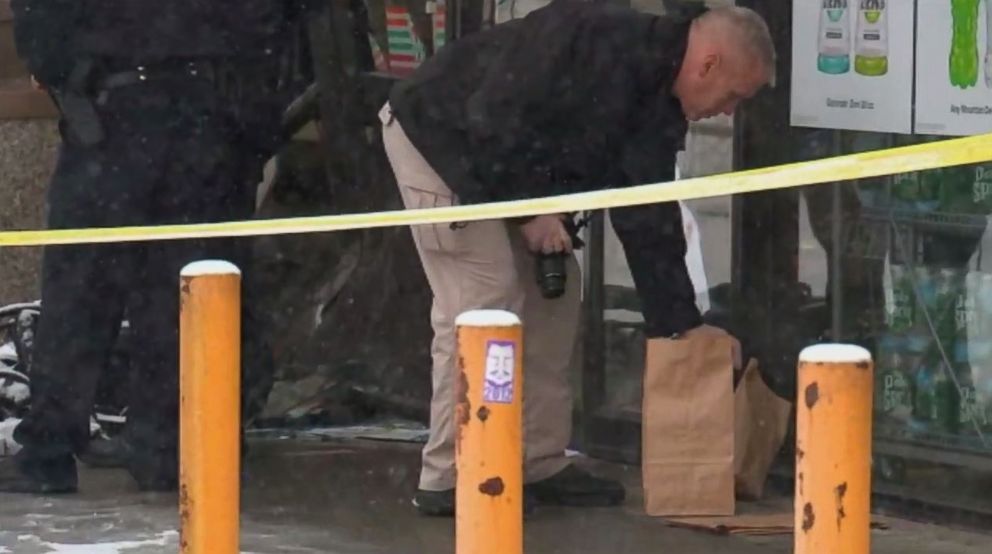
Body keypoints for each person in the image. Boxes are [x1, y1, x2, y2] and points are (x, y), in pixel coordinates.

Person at [380, 0, 775, 516]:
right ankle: (450, 474)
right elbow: (491, 114)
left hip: (508, 168)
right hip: (438, 141)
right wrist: (531, 210)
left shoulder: (659, 101)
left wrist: (680, 324)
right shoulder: (589, 36)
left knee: (556, 296)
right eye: (733, 96)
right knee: (485, 300)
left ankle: (536, 460)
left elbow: (646, 218)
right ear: (708, 65)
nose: (727, 112)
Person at [0, 0, 295, 493]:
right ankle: (163, 445)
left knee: (81, 290)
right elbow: (270, 21)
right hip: (203, 114)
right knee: (179, 291)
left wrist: (65, 73)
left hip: (116, 108)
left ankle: (53, 445)